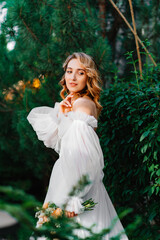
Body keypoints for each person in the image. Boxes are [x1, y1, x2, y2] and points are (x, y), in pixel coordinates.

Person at [27, 52, 129, 239]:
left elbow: (86, 155)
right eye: (69, 71)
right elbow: (61, 142)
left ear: (88, 76)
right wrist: (63, 114)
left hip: (74, 186)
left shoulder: (82, 104)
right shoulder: (75, 103)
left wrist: (75, 197)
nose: (72, 77)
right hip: (67, 177)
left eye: (80, 72)